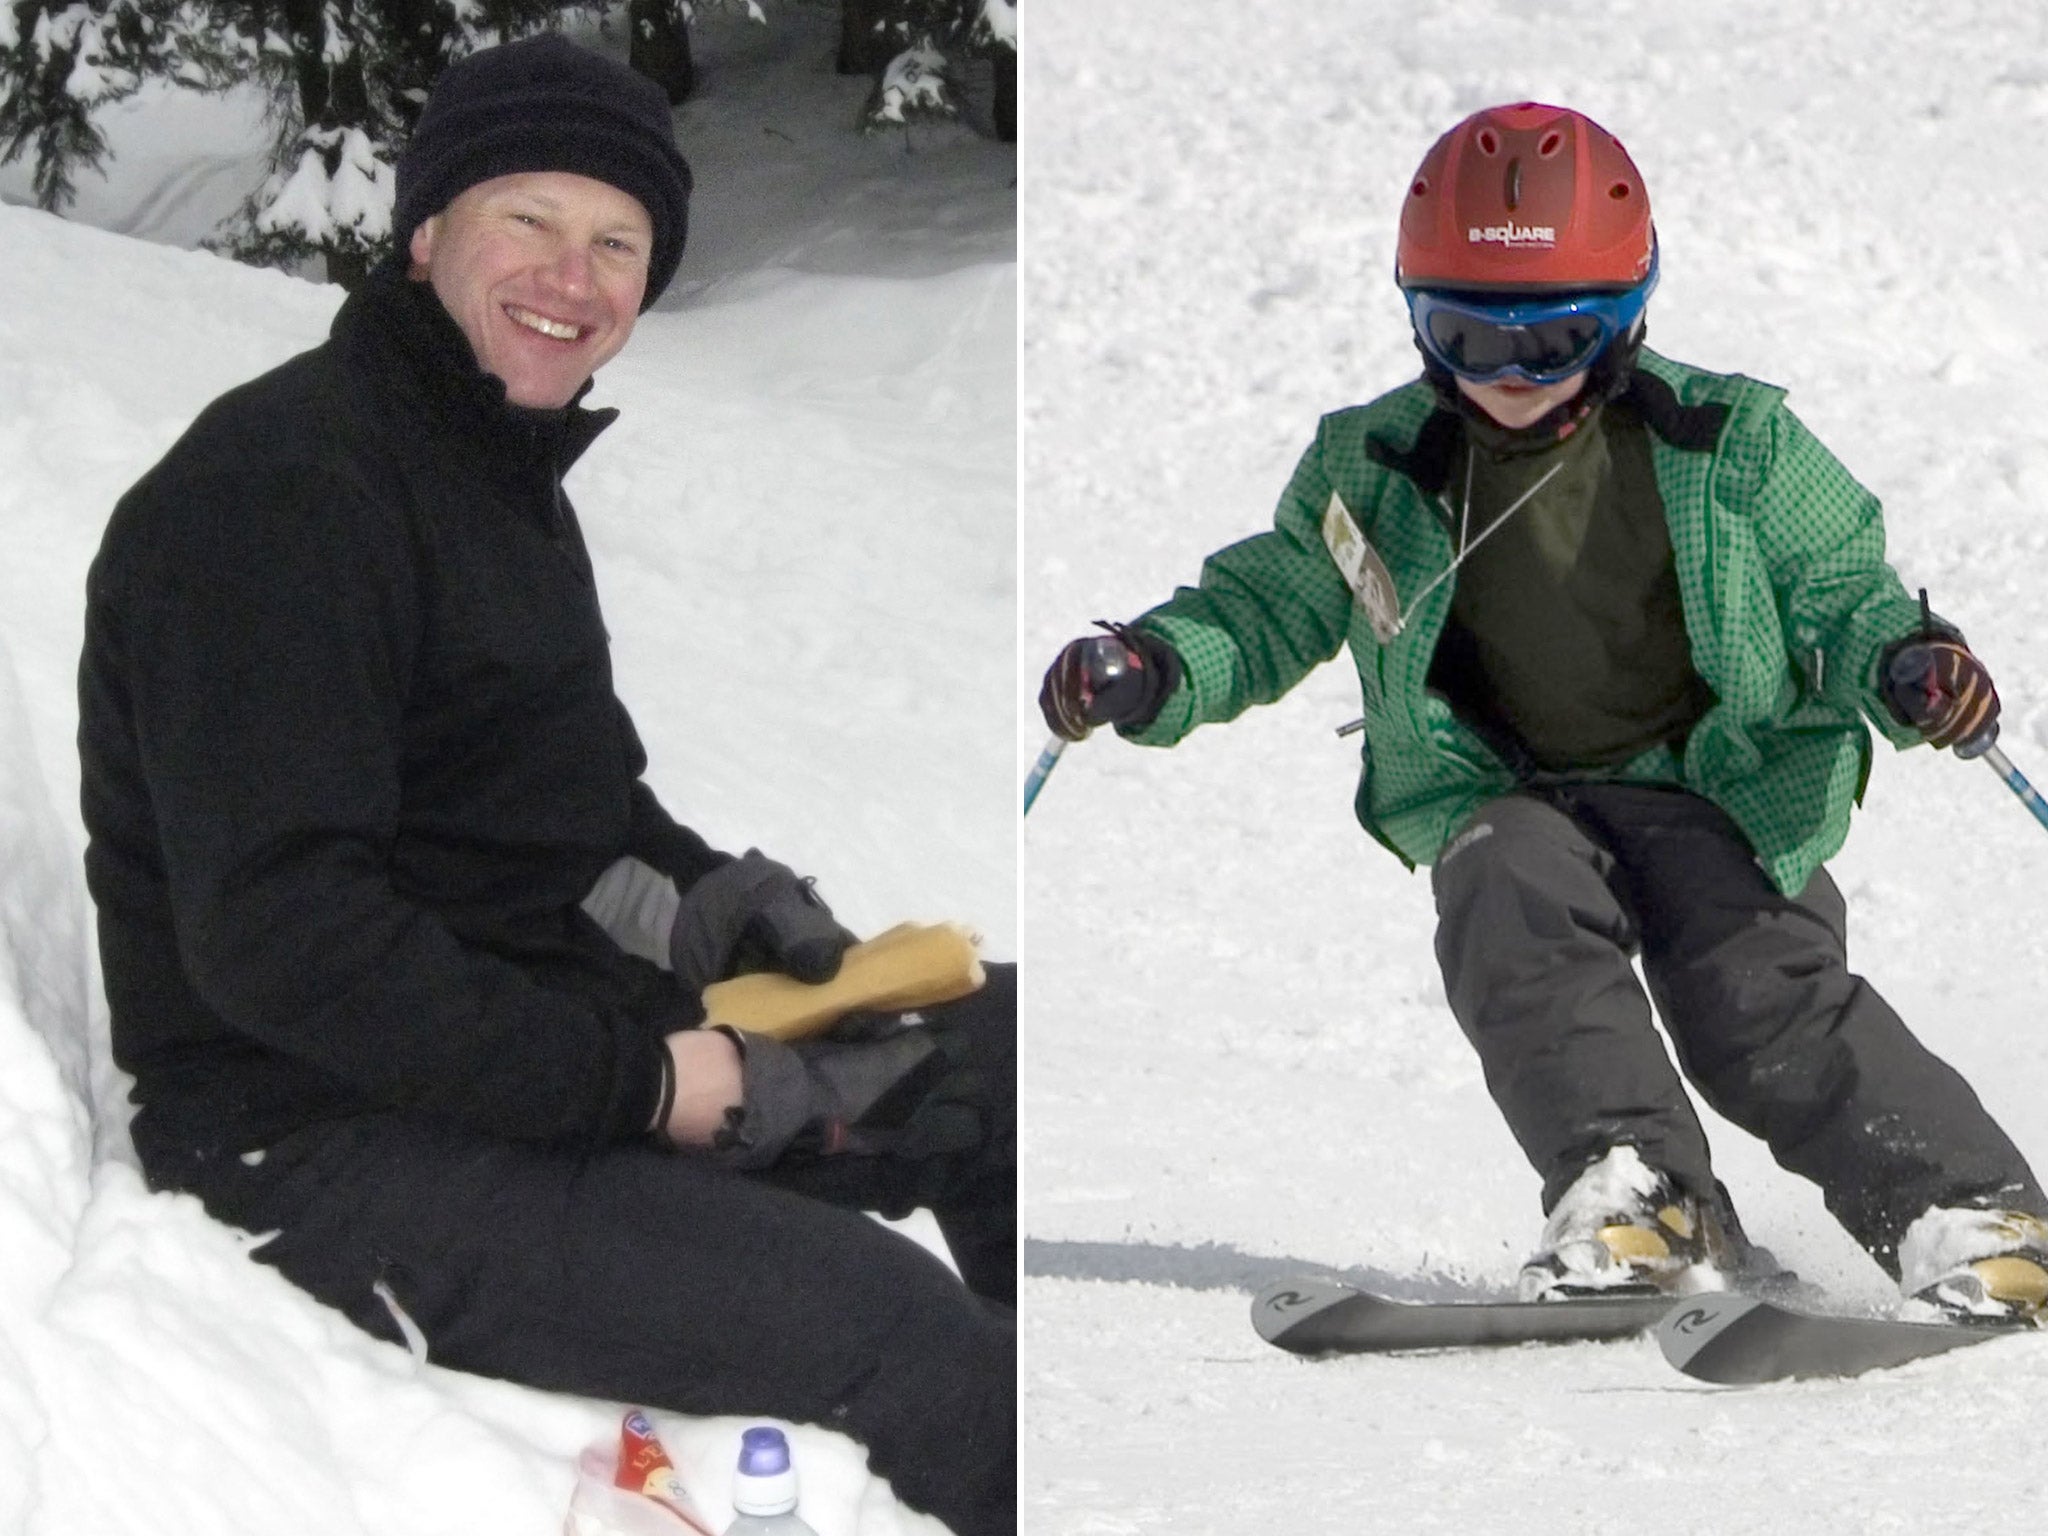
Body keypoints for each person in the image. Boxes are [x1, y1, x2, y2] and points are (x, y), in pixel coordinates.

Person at [78, 33, 1013, 1536]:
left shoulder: (490, 470)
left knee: (997, 1055)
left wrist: (725, 916)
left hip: (531, 1056)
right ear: (430, 230)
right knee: (913, 1346)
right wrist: (644, 1086)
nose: (571, 279)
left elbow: (567, 814)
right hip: (318, 1146)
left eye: (617, 243)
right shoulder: (276, 501)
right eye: (530, 222)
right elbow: (282, 937)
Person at [1038, 100, 2048, 1324]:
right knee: (1505, 905)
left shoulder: (1728, 444)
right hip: (1511, 793)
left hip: (1716, 789)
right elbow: (1267, 603)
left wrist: (1906, 661)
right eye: (1466, 336)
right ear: (1416, 318)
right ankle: (1640, 1200)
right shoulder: (1375, 464)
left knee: (1755, 999)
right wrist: (1154, 662)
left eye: (1554, 339)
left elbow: (1836, 589)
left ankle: (1972, 1211)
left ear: (1624, 319)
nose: (1510, 380)